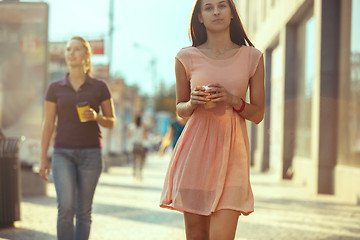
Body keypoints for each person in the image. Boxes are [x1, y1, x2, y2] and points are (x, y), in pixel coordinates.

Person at [160, 0, 265, 239]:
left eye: (222, 6)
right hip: (194, 155)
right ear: (199, 17)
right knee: (196, 234)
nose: (216, 11)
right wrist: (192, 103)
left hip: (232, 158)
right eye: (208, 7)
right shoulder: (186, 57)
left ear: (231, 13)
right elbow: (181, 109)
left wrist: (233, 100)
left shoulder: (253, 57)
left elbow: (258, 114)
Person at [39, 36, 116, 240]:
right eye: (68, 50)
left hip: (91, 154)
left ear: (86, 55)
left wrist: (97, 116)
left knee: (83, 212)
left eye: (76, 50)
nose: (71, 53)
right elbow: (48, 124)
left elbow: (111, 121)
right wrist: (42, 158)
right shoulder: (55, 88)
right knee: (65, 208)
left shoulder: (100, 87)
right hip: (62, 153)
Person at [127, 115, 148, 181]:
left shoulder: (131, 126)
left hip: (133, 145)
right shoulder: (143, 127)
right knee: (141, 160)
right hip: (141, 145)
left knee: (134, 160)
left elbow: (129, 136)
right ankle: (140, 173)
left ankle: (134, 173)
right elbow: (145, 137)